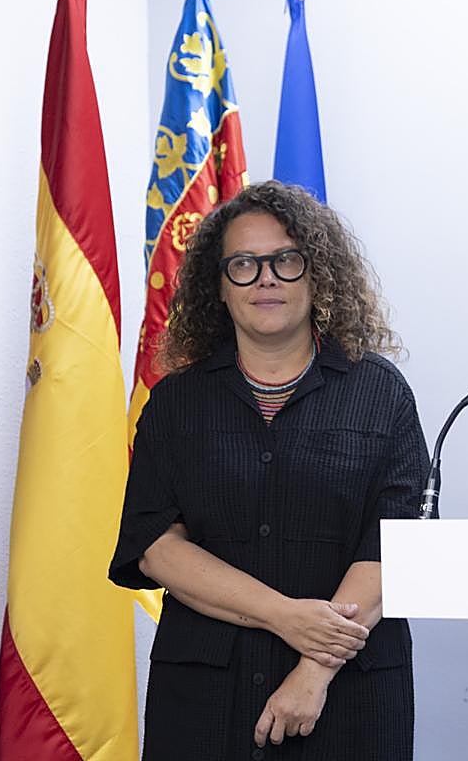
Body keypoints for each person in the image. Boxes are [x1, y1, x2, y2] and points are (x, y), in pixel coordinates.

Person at [109, 181, 427, 760]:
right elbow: (155, 546)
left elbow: (396, 544)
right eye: (243, 265)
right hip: (205, 700)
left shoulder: (380, 393)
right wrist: (286, 617)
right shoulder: (177, 402)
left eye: (285, 259)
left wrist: (313, 669)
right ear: (218, 286)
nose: (266, 279)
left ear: (317, 274)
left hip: (350, 697)